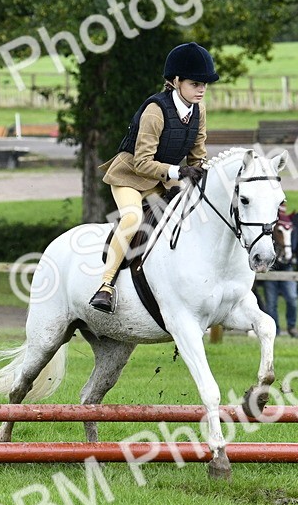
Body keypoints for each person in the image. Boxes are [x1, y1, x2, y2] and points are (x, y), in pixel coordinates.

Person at [88, 42, 216, 313]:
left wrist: (201, 173)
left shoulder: (199, 111)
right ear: (176, 81)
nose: (202, 90)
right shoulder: (155, 111)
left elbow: (197, 153)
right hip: (130, 176)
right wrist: (177, 172)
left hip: (161, 180)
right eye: (195, 83)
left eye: (205, 84)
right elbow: (142, 162)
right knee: (133, 218)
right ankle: (106, 285)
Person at [264, 200, 298, 337]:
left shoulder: (289, 226)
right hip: (272, 267)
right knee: (271, 302)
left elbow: (293, 245)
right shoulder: (269, 225)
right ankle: (275, 330)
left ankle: (291, 326)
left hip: (286, 267)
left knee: (292, 298)